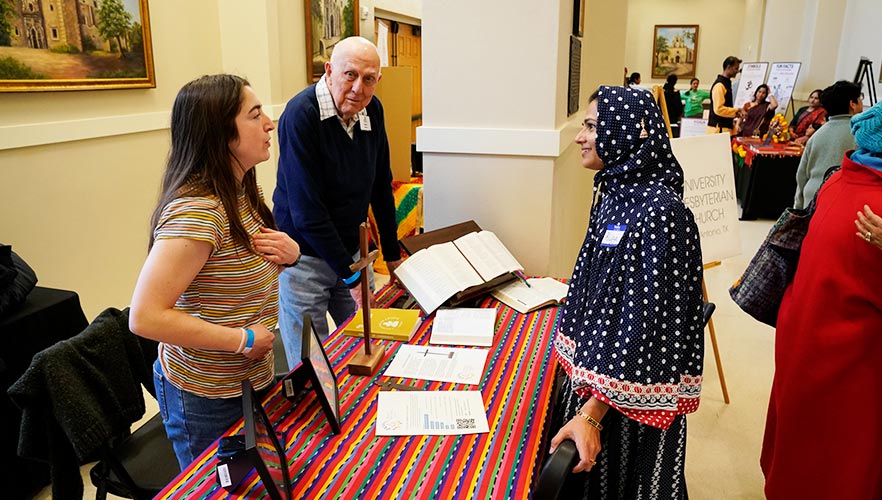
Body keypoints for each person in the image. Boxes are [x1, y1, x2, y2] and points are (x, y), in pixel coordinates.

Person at [129, 74, 300, 469]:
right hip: (207, 395)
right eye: (255, 115)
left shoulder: (241, 189)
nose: (270, 123)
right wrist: (241, 339)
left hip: (249, 378)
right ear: (221, 133)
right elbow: (145, 317)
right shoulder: (197, 212)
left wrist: (291, 253)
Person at [549, 86, 705, 498]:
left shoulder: (660, 212)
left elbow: (647, 328)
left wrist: (594, 414)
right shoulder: (616, 191)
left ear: (628, 132)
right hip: (598, 381)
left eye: (592, 126)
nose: (581, 136)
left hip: (626, 404)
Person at [761, 100, 882, 500]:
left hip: (806, 337)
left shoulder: (838, 181)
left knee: (801, 451)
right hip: (848, 357)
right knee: (836, 463)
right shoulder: (876, 211)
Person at [273, 36, 401, 369]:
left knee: (368, 344)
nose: (359, 88)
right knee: (311, 366)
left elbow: (380, 187)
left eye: (369, 78)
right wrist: (351, 278)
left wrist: (392, 256)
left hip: (352, 252)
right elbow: (307, 214)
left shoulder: (372, 109)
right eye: (350, 75)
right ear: (329, 71)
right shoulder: (300, 115)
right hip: (303, 257)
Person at [793, 80, 863, 209]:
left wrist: (798, 207)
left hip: (811, 198)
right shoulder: (860, 135)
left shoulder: (817, 135)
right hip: (840, 201)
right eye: (860, 98)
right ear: (852, 104)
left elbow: (802, 175)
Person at [707, 56, 743, 134]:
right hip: (718, 129)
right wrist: (737, 111)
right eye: (736, 68)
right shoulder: (719, 85)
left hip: (723, 128)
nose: (737, 71)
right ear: (729, 67)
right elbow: (718, 109)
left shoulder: (726, 83)